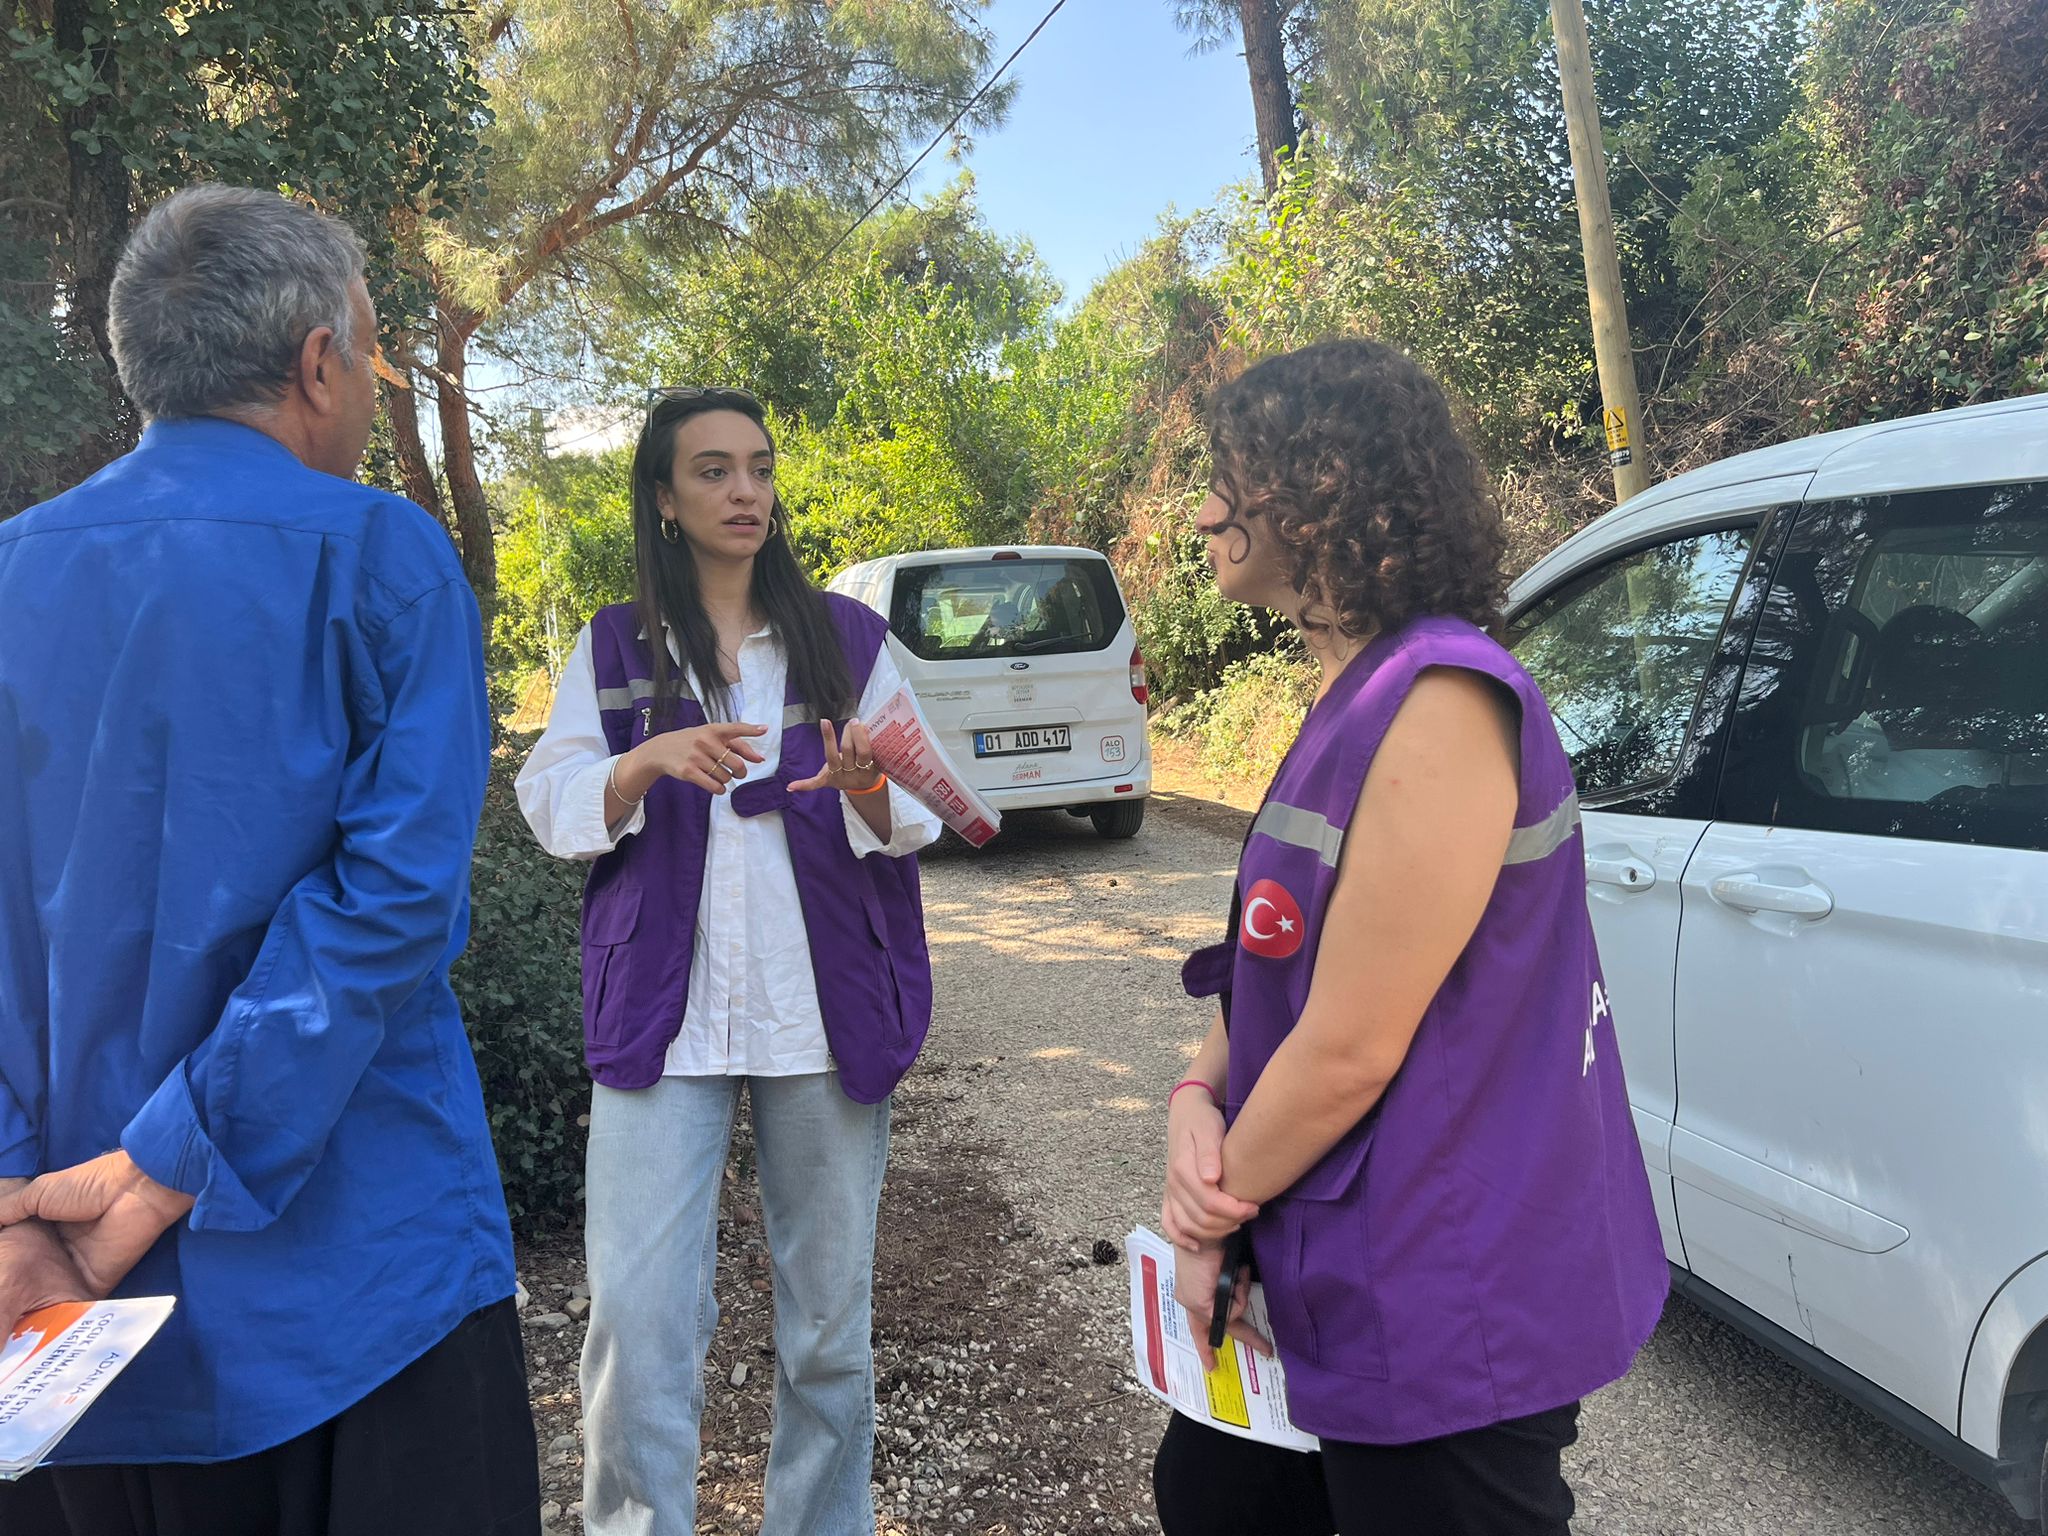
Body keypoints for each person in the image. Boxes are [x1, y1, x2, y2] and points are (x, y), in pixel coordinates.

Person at [0, 186, 536, 1534]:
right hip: (362, 1284)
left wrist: (13, 1197)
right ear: (317, 361)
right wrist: (179, 1152)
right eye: (370, 351)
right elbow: (396, 902)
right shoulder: (380, 555)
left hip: (64, 1308)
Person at [1149, 339, 1668, 1536]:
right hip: (1337, 1241)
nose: (1207, 510)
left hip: (1447, 1285)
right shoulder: (1354, 689)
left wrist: (1202, 1215)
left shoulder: (1437, 702)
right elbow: (1273, 956)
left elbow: (1347, 1046)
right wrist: (1197, 1089)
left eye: (1228, 476)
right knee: (1212, 1498)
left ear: (1313, 490)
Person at [515, 386, 941, 1536]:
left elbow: (930, 808)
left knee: (826, 1327)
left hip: (823, 1012)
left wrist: (871, 786)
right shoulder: (610, 646)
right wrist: (640, 763)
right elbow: (550, 807)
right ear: (662, 496)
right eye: (711, 470)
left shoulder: (849, 640)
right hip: (665, 1019)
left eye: (756, 466)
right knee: (640, 1324)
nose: (743, 489)